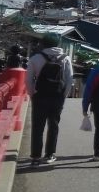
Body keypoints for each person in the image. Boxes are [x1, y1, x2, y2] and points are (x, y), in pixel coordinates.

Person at [25, 33, 74, 166]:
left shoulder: (35, 58)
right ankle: (49, 155)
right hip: (57, 97)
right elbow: (69, 79)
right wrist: (63, 96)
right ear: (58, 44)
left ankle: (35, 157)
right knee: (53, 125)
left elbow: (28, 80)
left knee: (38, 127)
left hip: (40, 96)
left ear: (43, 44)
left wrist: (32, 94)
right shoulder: (65, 58)